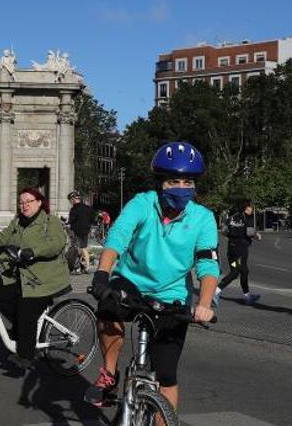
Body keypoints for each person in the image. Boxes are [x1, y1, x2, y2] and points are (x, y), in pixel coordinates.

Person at [85, 142, 219, 411]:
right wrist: (101, 274)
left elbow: (207, 264)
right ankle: (109, 374)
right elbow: (117, 238)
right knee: (109, 307)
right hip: (131, 282)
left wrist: (204, 305)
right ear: (161, 183)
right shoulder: (143, 203)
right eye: (173, 181)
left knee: (166, 377)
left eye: (187, 181)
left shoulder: (204, 218)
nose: (181, 187)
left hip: (172, 295)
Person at [0, 187, 70, 373]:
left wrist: (33, 251)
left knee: (27, 308)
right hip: (23, 275)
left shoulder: (50, 221)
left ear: (39, 202)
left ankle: (26, 355)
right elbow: (3, 237)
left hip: (45, 279)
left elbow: (56, 244)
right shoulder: (18, 222)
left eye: (29, 201)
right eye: (21, 202)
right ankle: (22, 329)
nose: (24, 205)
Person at [216, 201, 262, 305]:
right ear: (247, 208)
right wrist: (257, 235)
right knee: (244, 271)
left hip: (231, 250)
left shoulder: (233, 217)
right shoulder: (247, 218)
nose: (253, 210)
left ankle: (246, 295)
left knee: (235, 270)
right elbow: (249, 232)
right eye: (252, 208)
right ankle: (247, 297)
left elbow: (223, 230)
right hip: (240, 250)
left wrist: (232, 237)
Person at [67, 190, 93, 270]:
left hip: (77, 231)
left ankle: (82, 267)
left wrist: (67, 222)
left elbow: (71, 220)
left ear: (73, 199)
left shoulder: (74, 209)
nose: (70, 202)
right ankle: (86, 265)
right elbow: (91, 218)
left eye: (70, 200)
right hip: (86, 230)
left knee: (79, 248)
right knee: (84, 248)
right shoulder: (87, 208)